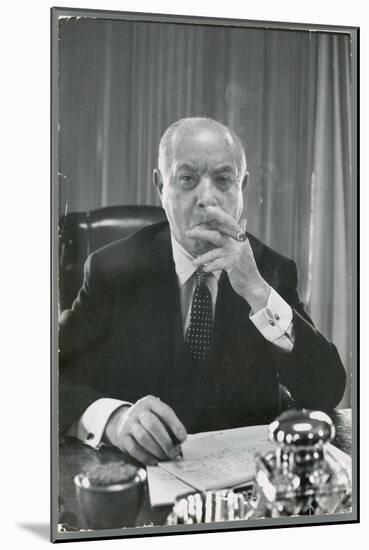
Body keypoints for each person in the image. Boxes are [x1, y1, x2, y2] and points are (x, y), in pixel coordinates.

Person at [59, 117, 346, 466]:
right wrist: (114, 420)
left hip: (239, 488)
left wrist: (257, 292)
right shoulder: (111, 269)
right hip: (139, 477)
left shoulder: (271, 270)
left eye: (224, 180)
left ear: (243, 186)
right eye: (187, 179)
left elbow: (327, 390)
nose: (207, 199)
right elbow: (51, 375)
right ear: (160, 186)